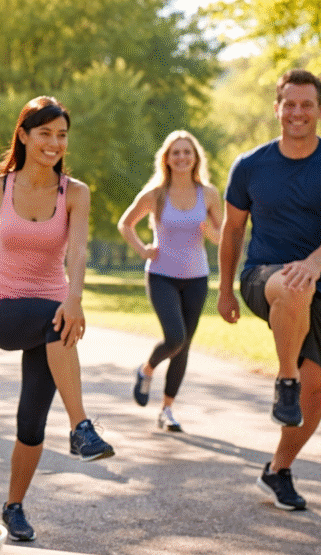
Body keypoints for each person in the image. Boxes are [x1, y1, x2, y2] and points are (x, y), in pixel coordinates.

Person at [0, 96, 115, 542]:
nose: (54, 143)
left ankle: (14, 506)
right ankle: (82, 427)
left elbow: (78, 249)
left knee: (32, 419)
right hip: (4, 309)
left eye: (61, 135)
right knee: (53, 320)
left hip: (53, 319)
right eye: (44, 133)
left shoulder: (75, 193)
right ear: (24, 135)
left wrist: (75, 299)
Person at [218, 68, 321, 511]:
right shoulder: (249, 165)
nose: (297, 112)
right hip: (264, 276)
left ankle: (278, 469)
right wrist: (224, 290)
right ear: (277, 108)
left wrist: (316, 262)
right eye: (289, 104)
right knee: (291, 286)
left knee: (317, 390)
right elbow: (231, 230)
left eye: (306, 105)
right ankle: (285, 378)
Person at [118, 130, 222, 432]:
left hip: (196, 277)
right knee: (175, 337)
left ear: (195, 158)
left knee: (184, 347)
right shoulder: (156, 194)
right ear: (167, 158)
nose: (181, 157)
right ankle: (146, 369)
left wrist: (210, 232)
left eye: (187, 152)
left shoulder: (209, 194)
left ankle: (167, 410)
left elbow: (222, 235)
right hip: (162, 275)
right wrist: (143, 249)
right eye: (175, 152)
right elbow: (125, 223)